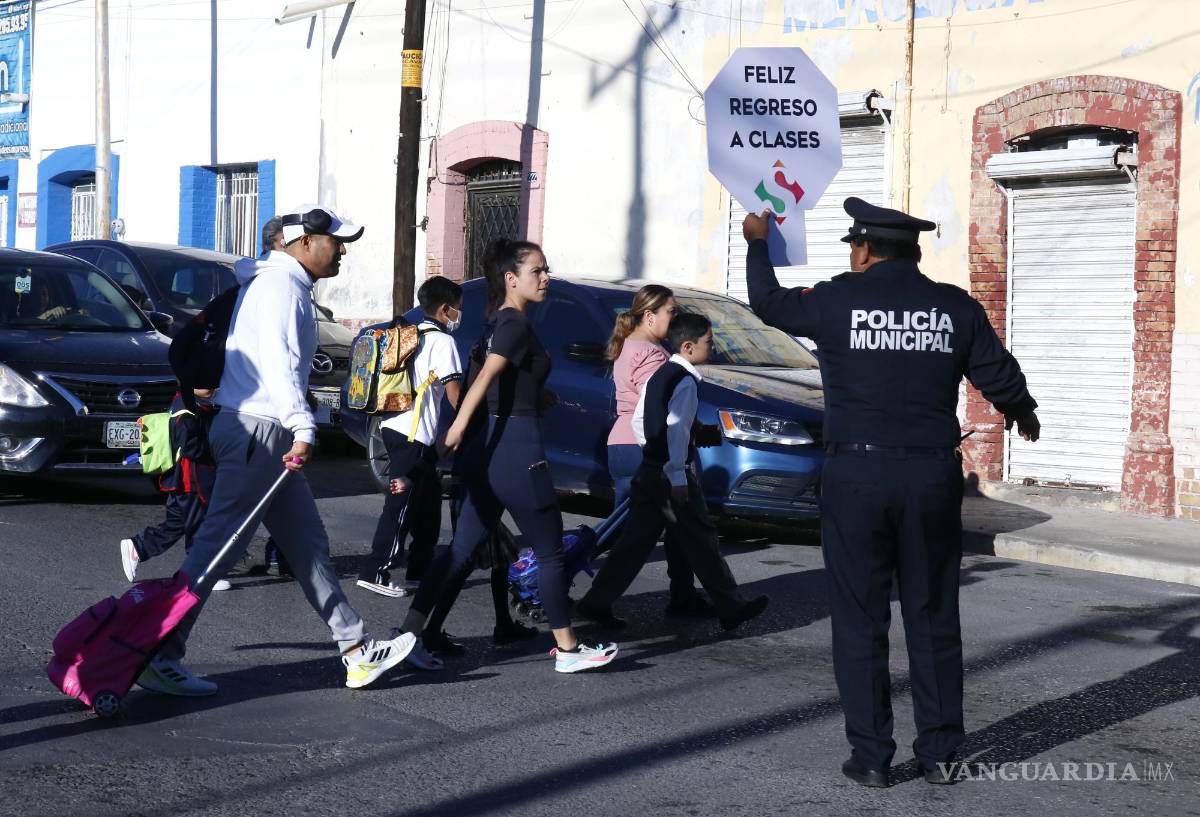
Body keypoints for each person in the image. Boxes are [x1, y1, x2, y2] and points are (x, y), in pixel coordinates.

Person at [743, 197, 1041, 788]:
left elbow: (770, 305)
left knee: (859, 619)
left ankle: (873, 758)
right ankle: (941, 754)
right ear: (912, 251)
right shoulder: (952, 307)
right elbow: (996, 372)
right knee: (933, 617)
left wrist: (758, 243)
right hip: (930, 479)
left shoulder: (835, 299)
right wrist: (1022, 410)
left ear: (863, 248)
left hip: (856, 478)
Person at [137, 204, 418, 697]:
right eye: (336, 240)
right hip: (259, 430)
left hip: (260, 430)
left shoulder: (276, 285)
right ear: (303, 241)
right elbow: (278, 364)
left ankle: (355, 649)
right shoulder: (280, 288)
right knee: (214, 551)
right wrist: (302, 426)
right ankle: (158, 653)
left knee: (307, 547)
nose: (343, 250)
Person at [397, 238, 618, 674]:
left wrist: (539, 394)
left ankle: (411, 635)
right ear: (511, 279)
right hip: (515, 449)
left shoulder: (495, 322)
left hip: (485, 450)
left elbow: (492, 380)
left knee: (459, 552)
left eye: (546, 269)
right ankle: (569, 650)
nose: (546, 277)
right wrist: (456, 428)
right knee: (551, 553)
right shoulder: (515, 324)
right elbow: (487, 378)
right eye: (538, 271)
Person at [575, 313, 769, 632]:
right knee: (702, 538)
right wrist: (676, 473)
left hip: (651, 471)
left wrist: (651, 453)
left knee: (635, 543)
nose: (713, 346)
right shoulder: (685, 381)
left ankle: (595, 603)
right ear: (689, 347)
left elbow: (639, 420)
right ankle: (730, 606)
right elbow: (676, 429)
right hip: (669, 476)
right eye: (709, 341)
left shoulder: (661, 373)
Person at [600, 284, 712, 620]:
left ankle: (683, 594)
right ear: (649, 316)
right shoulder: (651, 354)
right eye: (670, 311)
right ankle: (589, 594)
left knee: (639, 531)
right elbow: (658, 411)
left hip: (621, 444)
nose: (674, 317)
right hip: (645, 448)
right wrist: (683, 445)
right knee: (648, 533)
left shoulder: (627, 345)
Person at [357, 276, 464, 599]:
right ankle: (376, 570)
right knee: (399, 505)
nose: (460, 314)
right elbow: (455, 395)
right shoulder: (442, 343)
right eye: (458, 309)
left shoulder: (411, 337)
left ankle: (420, 568)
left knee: (428, 503)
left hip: (395, 427)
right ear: (445, 309)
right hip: (412, 434)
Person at [119, 392, 231, 591]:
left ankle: (138, 547)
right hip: (192, 479)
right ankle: (199, 573)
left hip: (179, 479)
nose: (213, 386)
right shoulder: (187, 409)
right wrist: (214, 455)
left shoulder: (186, 401)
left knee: (176, 523)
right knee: (200, 525)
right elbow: (190, 446)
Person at [256, 215, 293, 580]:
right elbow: (278, 359)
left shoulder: (289, 283)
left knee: (287, 502)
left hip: (282, 416)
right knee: (237, 510)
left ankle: (352, 637)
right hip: (260, 416)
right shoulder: (274, 283)